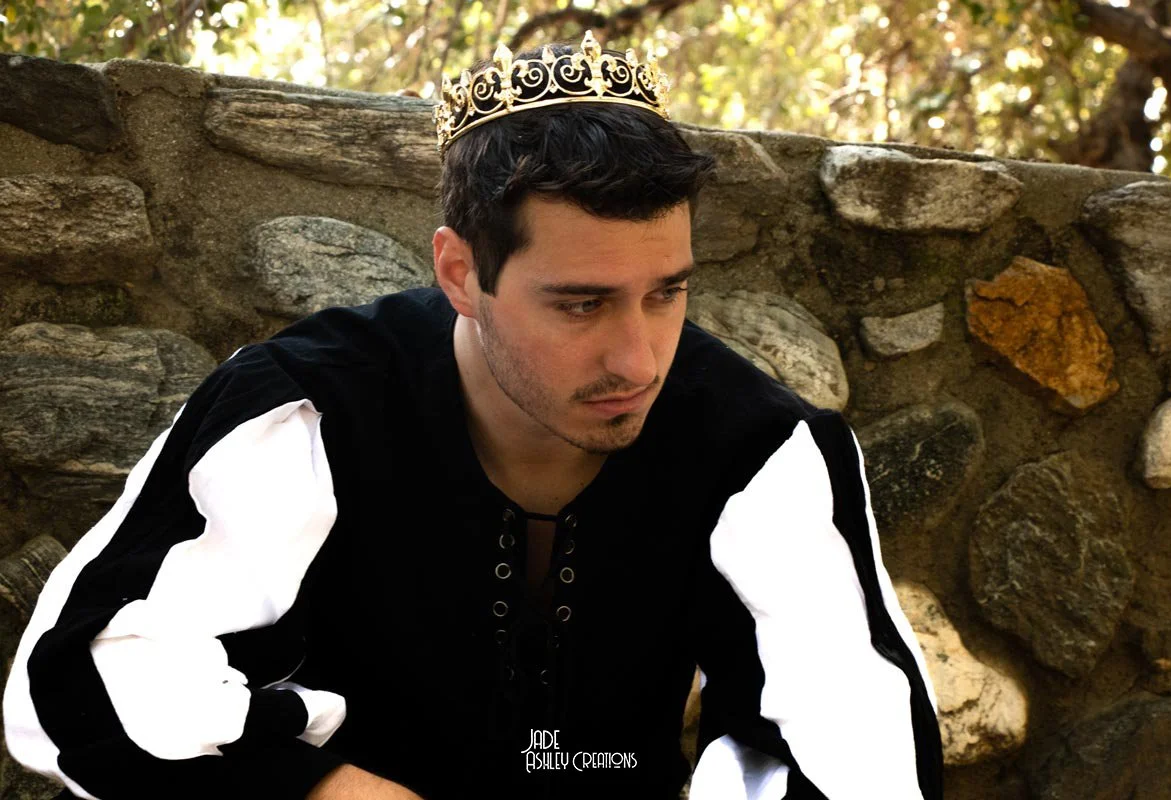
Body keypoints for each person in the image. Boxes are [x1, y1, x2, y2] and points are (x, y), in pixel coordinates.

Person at [2, 30, 943, 800]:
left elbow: (865, 748)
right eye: (581, 303)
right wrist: (322, 790)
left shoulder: (759, 448)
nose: (638, 356)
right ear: (462, 273)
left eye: (667, 293)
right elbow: (78, 680)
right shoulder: (308, 407)